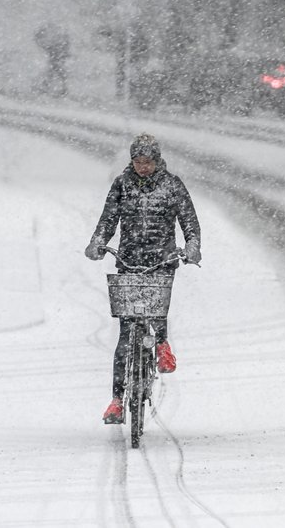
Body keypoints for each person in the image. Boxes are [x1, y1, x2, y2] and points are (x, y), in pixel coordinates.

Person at [85, 134, 201, 425]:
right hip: (129, 260)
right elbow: (108, 219)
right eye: (137, 162)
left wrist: (192, 247)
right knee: (126, 333)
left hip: (162, 259)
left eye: (147, 162)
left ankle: (162, 344)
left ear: (157, 161)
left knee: (156, 306)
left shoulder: (172, 185)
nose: (142, 167)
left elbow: (189, 220)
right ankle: (116, 400)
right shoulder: (122, 185)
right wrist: (98, 242)